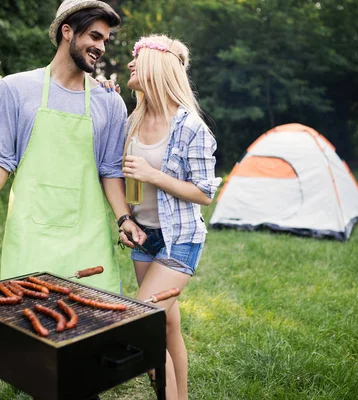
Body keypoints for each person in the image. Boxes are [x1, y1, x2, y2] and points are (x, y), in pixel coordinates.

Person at [0, 0, 145, 293]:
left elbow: (110, 169)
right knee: (27, 321)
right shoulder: (16, 89)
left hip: (88, 237)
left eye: (105, 39)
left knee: (93, 324)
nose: (101, 47)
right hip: (30, 235)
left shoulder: (109, 101)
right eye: (94, 36)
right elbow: (1, 157)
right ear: (67, 31)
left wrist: (124, 218)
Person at [120, 34, 222, 400]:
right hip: (144, 238)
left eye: (137, 58)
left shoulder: (190, 127)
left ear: (156, 66)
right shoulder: (132, 120)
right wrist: (126, 219)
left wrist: (154, 175)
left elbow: (205, 194)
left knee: (142, 324)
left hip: (179, 240)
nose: (130, 64)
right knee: (166, 327)